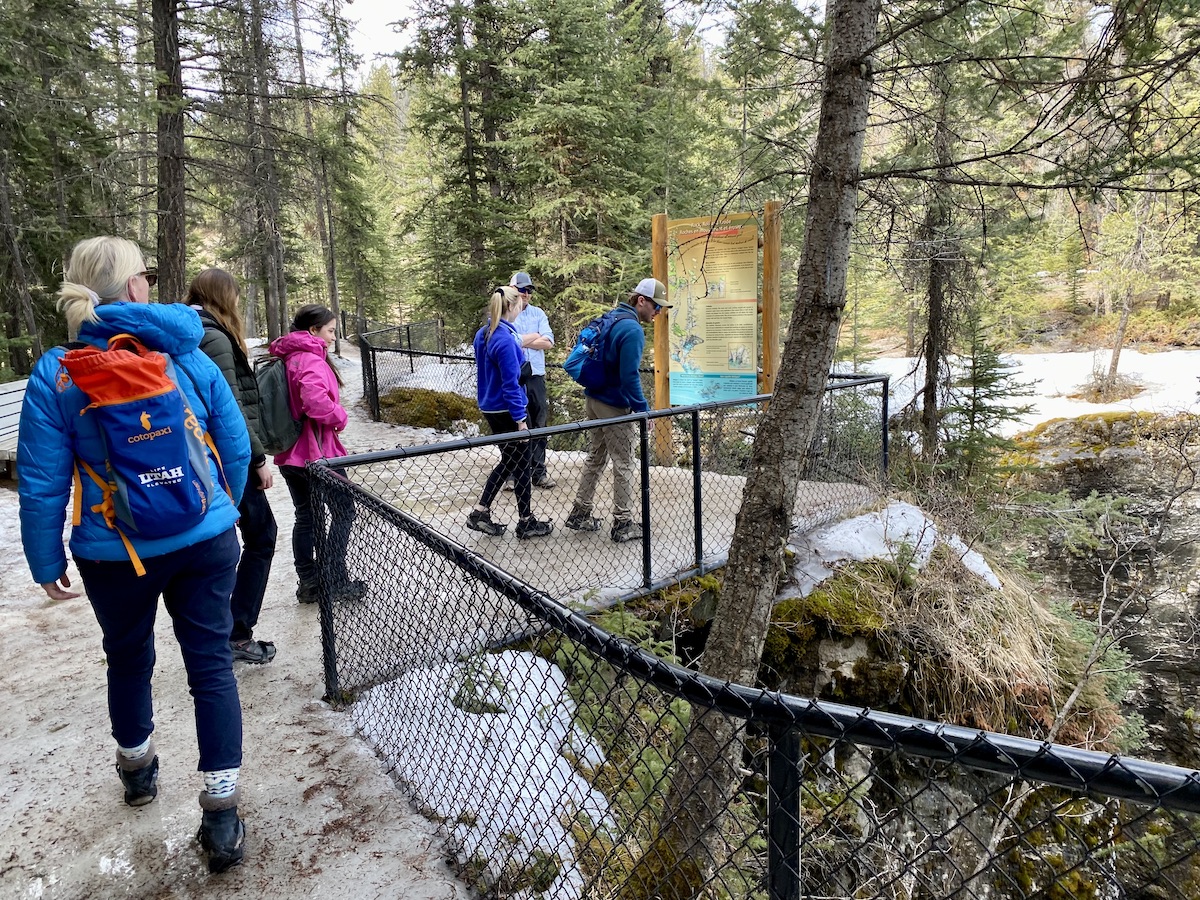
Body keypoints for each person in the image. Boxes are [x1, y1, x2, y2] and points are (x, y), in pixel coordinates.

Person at [17, 237, 251, 873]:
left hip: (113, 551)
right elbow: (233, 442)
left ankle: (138, 766)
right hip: (205, 540)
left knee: (127, 657)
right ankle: (223, 807)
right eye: (144, 275)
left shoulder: (57, 373)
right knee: (210, 664)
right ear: (131, 289)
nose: (150, 283)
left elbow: (41, 479)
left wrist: (45, 559)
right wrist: (219, 505)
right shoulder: (183, 353)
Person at [187, 268, 279, 665]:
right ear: (224, 297)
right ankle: (237, 631)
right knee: (261, 536)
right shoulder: (215, 337)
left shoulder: (192, 330)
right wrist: (257, 458)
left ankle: (219, 629)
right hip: (230, 460)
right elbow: (232, 409)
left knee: (223, 542)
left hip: (207, 458)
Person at [270, 305, 365, 604]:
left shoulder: (288, 356)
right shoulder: (309, 358)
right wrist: (340, 416)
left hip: (291, 454)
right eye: (331, 331)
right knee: (344, 511)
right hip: (318, 453)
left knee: (306, 517)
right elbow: (314, 401)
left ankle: (310, 582)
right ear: (313, 330)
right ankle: (335, 579)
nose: (332, 337)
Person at [565, 277, 669, 543]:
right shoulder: (632, 330)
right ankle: (623, 523)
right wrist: (642, 409)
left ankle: (580, 512)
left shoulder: (612, 317)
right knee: (624, 462)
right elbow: (629, 376)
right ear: (641, 301)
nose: (658, 313)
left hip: (594, 401)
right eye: (656, 307)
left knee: (596, 457)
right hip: (613, 405)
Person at [466, 285, 554, 539]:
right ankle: (525, 520)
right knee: (520, 463)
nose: (521, 310)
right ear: (511, 307)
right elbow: (511, 384)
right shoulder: (504, 339)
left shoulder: (485, 333)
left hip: (491, 406)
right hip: (507, 410)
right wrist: (521, 421)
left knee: (511, 461)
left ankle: (482, 511)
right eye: (519, 306)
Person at [502, 271, 556, 490]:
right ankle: (512, 474)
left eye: (529, 290)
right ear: (511, 288)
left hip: (535, 375)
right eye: (522, 289)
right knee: (516, 423)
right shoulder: (505, 314)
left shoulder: (538, 314)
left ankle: (538, 471)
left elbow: (548, 342)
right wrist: (533, 337)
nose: (526, 294)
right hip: (514, 377)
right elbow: (511, 341)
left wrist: (522, 341)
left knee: (539, 422)